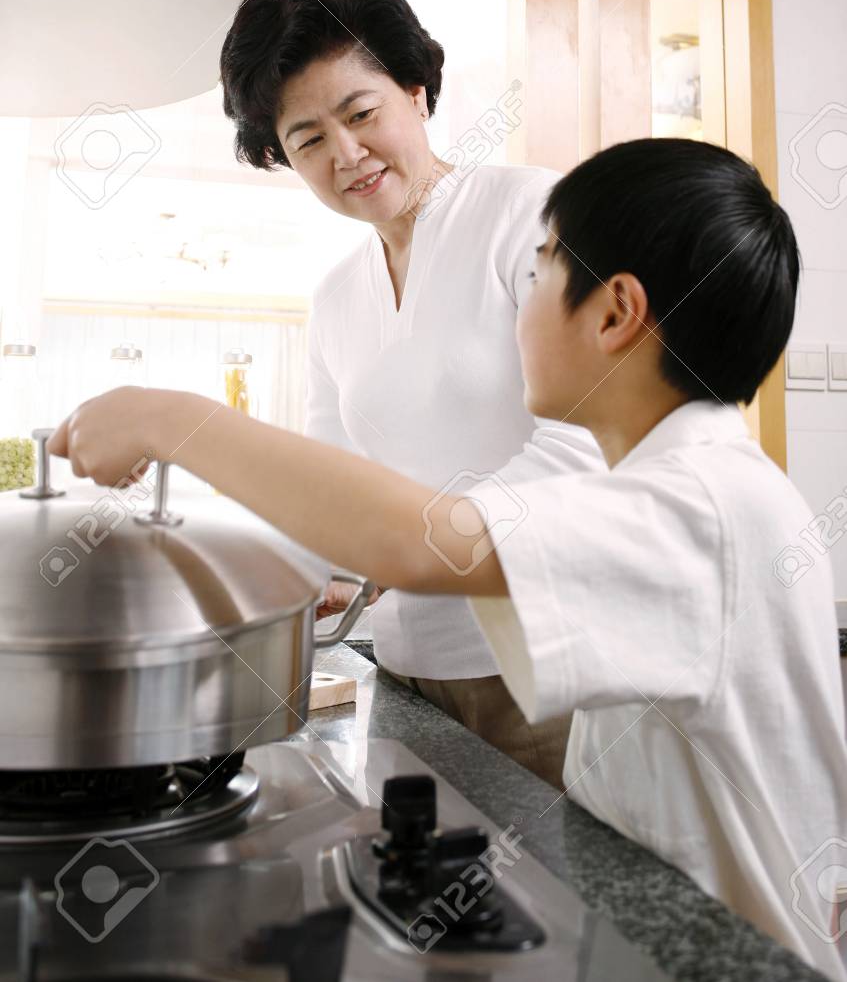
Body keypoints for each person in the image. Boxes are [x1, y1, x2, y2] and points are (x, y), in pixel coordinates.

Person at [50, 138, 847, 980]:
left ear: (613, 313)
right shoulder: (671, 481)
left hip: (735, 959)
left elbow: (418, 542)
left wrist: (175, 420)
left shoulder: (693, 503)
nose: (518, 301)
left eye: (537, 273)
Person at [217, 0, 604, 786]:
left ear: (418, 93)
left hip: (544, 664)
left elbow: (588, 440)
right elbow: (327, 486)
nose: (347, 154)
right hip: (408, 666)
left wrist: (407, 544)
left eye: (362, 113)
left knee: (566, 904)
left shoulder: (529, 213)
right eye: (308, 139)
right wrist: (260, 570)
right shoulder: (334, 299)